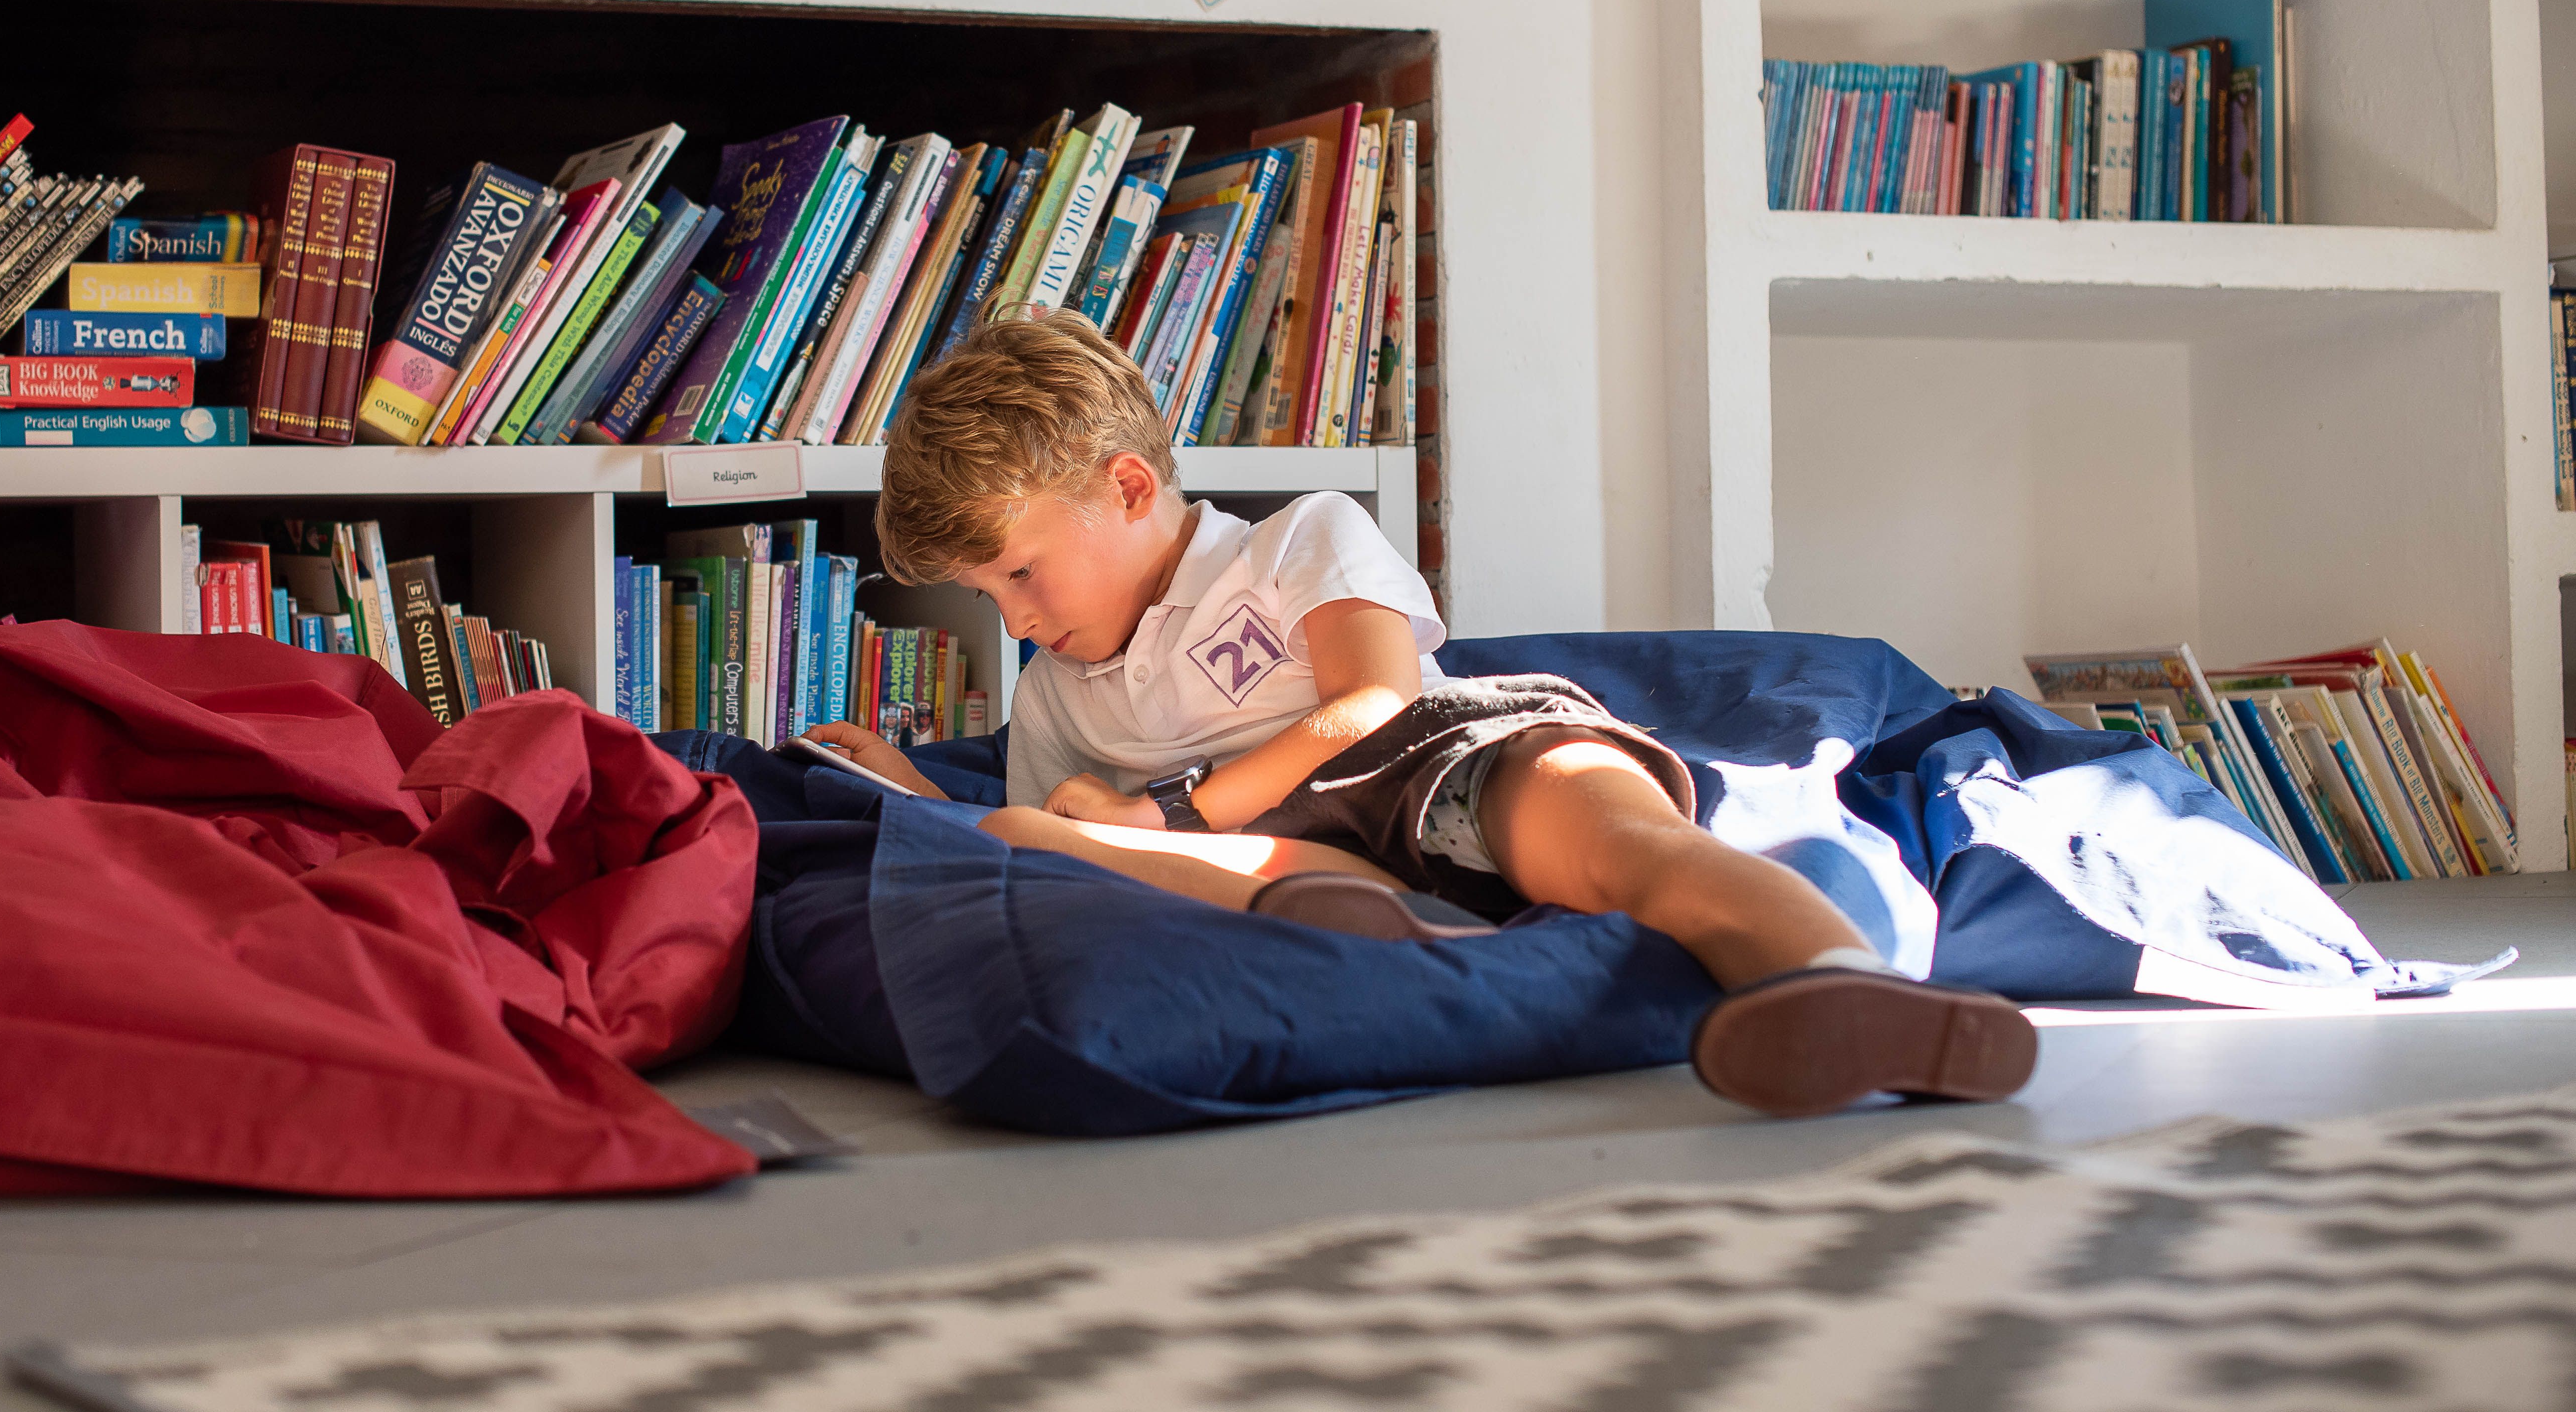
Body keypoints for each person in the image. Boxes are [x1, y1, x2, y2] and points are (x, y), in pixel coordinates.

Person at [802, 309, 2038, 1119]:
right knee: (1034, 841)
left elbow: (1377, 697)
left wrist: (1171, 810)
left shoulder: (1299, 538)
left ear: (1128, 488)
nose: (1014, 618)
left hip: (1433, 762)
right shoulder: (1058, 690)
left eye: (1019, 574)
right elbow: (1038, 834)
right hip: (1279, 858)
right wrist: (905, 795)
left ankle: (1837, 980)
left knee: (1627, 845)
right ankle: (1402, 933)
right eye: (985, 597)